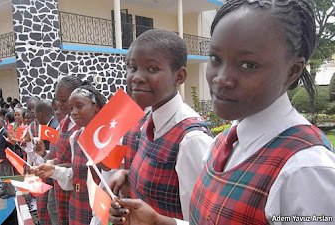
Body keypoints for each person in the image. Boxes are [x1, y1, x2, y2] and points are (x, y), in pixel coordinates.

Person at [109, 1, 335, 225]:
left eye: (248, 65)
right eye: (216, 59)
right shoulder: (223, 143)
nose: (221, 78)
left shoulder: (305, 171)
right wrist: (159, 222)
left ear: (292, 71)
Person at [107, 28, 213, 221]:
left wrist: (158, 221)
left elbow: (202, 220)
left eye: (153, 69)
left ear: (179, 77)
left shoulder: (191, 139)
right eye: (132, 67)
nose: (137, 77)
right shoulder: (149, 124)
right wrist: (126, 175)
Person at [36, 85, 107, 225]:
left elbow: (108, 186)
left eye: (79, 106)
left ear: (96, 107)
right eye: (72, 107)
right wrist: (55, 171)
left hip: (98, 211)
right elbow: (76, 176)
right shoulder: (76, 137)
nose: (73, 112)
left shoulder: (107, 139)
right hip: (77, 207)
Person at [33, 76, 83, 225]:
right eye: (57, 100)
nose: (59, 105)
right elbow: (58, 157)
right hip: (58, 187)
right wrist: (44, 154)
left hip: (74, 191)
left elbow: (78, 166)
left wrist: (54, 168)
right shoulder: (63, 125)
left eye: (63, 100)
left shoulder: (82, 128)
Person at [0, 116, 15, 199]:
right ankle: (4, 190)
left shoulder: (5, 133)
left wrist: (9, 156)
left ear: (3, 123)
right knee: (2, 174)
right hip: (0, 158)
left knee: (8, 175)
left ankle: (11, 191)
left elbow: (10, 146)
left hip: (6, 158)